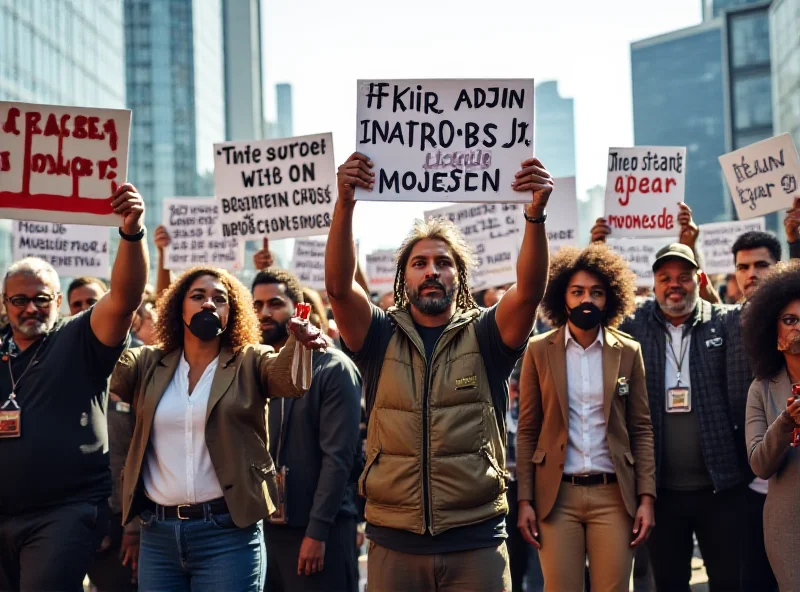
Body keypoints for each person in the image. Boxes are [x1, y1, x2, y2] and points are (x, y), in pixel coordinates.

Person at [326, 152, 553, 590]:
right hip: (395, 543)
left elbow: (527, 292)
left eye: (443, 262)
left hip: (477, 542)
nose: (432, 271)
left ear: (459, 277)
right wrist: (345, 203)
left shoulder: (487, 335)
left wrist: (535, 216)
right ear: (403, 279)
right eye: (419, 263)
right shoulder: (378, 335)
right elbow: (338, 287)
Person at [110, 266, 325, 591]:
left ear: (232, 312)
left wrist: (298, 342)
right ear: (177, 307)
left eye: (219, 298)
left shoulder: (250, 360)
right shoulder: (148, 363)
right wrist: (122, 314)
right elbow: (108, 369)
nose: (209, 303)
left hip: (227, 534)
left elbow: (289, 379)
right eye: (198, 296)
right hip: (158, 536)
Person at [0, 184, 149, 592]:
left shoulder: (78, 338)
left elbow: (125, 297)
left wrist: (132, 232)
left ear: (59, 303)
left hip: (63, 513)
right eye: (19, 300)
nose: (31, 308)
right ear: (4, 304)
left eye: (42, 298)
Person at [592, 212, 751, 591]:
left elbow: (765, 302)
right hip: (658, 489)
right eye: (665, 278)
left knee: (730, 581)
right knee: (671, 584)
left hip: (722, 488)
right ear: (654, 283)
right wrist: (598, 251)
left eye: (683, 277)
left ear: (698, 280)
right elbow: (597, 307)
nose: (674, 285)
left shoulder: (723, 322)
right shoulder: (635, 323)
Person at [516, 244, 656, 591]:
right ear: (562, 296)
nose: (586, 300)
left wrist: (646, 499)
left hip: (614, 496)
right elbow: (528, 429)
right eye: (577, 291)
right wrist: (524, 501)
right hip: (556, 496)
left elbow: (641, 429)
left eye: (596, 292)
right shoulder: (538, 351)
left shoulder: (628, 351)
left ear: (610, 299)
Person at [252, 268, 362, 592]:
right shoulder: (256, 370)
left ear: (299, 309)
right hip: (268, 531)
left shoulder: (333, 368)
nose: (264, 313)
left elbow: (338, 458)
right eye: (256, 305)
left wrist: (317, 532)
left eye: (274, 303)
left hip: (319, 533)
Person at [742, 261, 800, 591]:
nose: (797, 329)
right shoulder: (761, 389)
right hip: (787, 522)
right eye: (789, 320)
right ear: (773, 332)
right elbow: (760, 464)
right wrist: (786, 422)